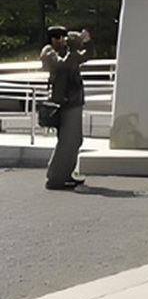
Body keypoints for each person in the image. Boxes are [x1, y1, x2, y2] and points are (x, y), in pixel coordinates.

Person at [40, 26, 91, 190]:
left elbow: (86, 57)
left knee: (75, 140)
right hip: (65, 103)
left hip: (74, 100)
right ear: (53, 39)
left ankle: (65, 174)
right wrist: (74, 48)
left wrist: (85, 42)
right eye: (60, 38)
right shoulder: (48, 53)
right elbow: (62, 66)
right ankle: (55, 178)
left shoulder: (67, 53)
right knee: (66, 141)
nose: (63, 41)